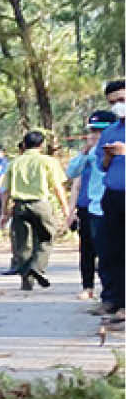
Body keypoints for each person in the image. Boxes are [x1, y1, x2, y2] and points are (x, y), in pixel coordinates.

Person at [1, 131, 69, 292]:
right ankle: (37, 267)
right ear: (42, 145)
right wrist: (66, 208)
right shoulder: (48, 161)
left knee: (23, 244)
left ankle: (27, 281)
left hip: (20, 206)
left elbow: (5, 190)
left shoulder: (15, 163)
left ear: (24, 145)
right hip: (40, 204)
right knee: (47, 236)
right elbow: (58, 187)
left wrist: (4, 212)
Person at [67, 113, 112, 303]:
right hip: (89, 206)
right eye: (93, 131)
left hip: (112, 205)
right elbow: (72, 175)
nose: (95, 135)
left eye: (100, 131)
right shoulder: (89, 154)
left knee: (110, 252)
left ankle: (111, 292)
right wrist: (85, 151)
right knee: (87, 249)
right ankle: (88, 287)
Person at [96, 79, 126, 325]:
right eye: (113, 102)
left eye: (122, 100)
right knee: (110, 250)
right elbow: (101, 167)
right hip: (113, 196)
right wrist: (108, 156)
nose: (118, 106)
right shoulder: (109, 131)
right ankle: (113, 298)